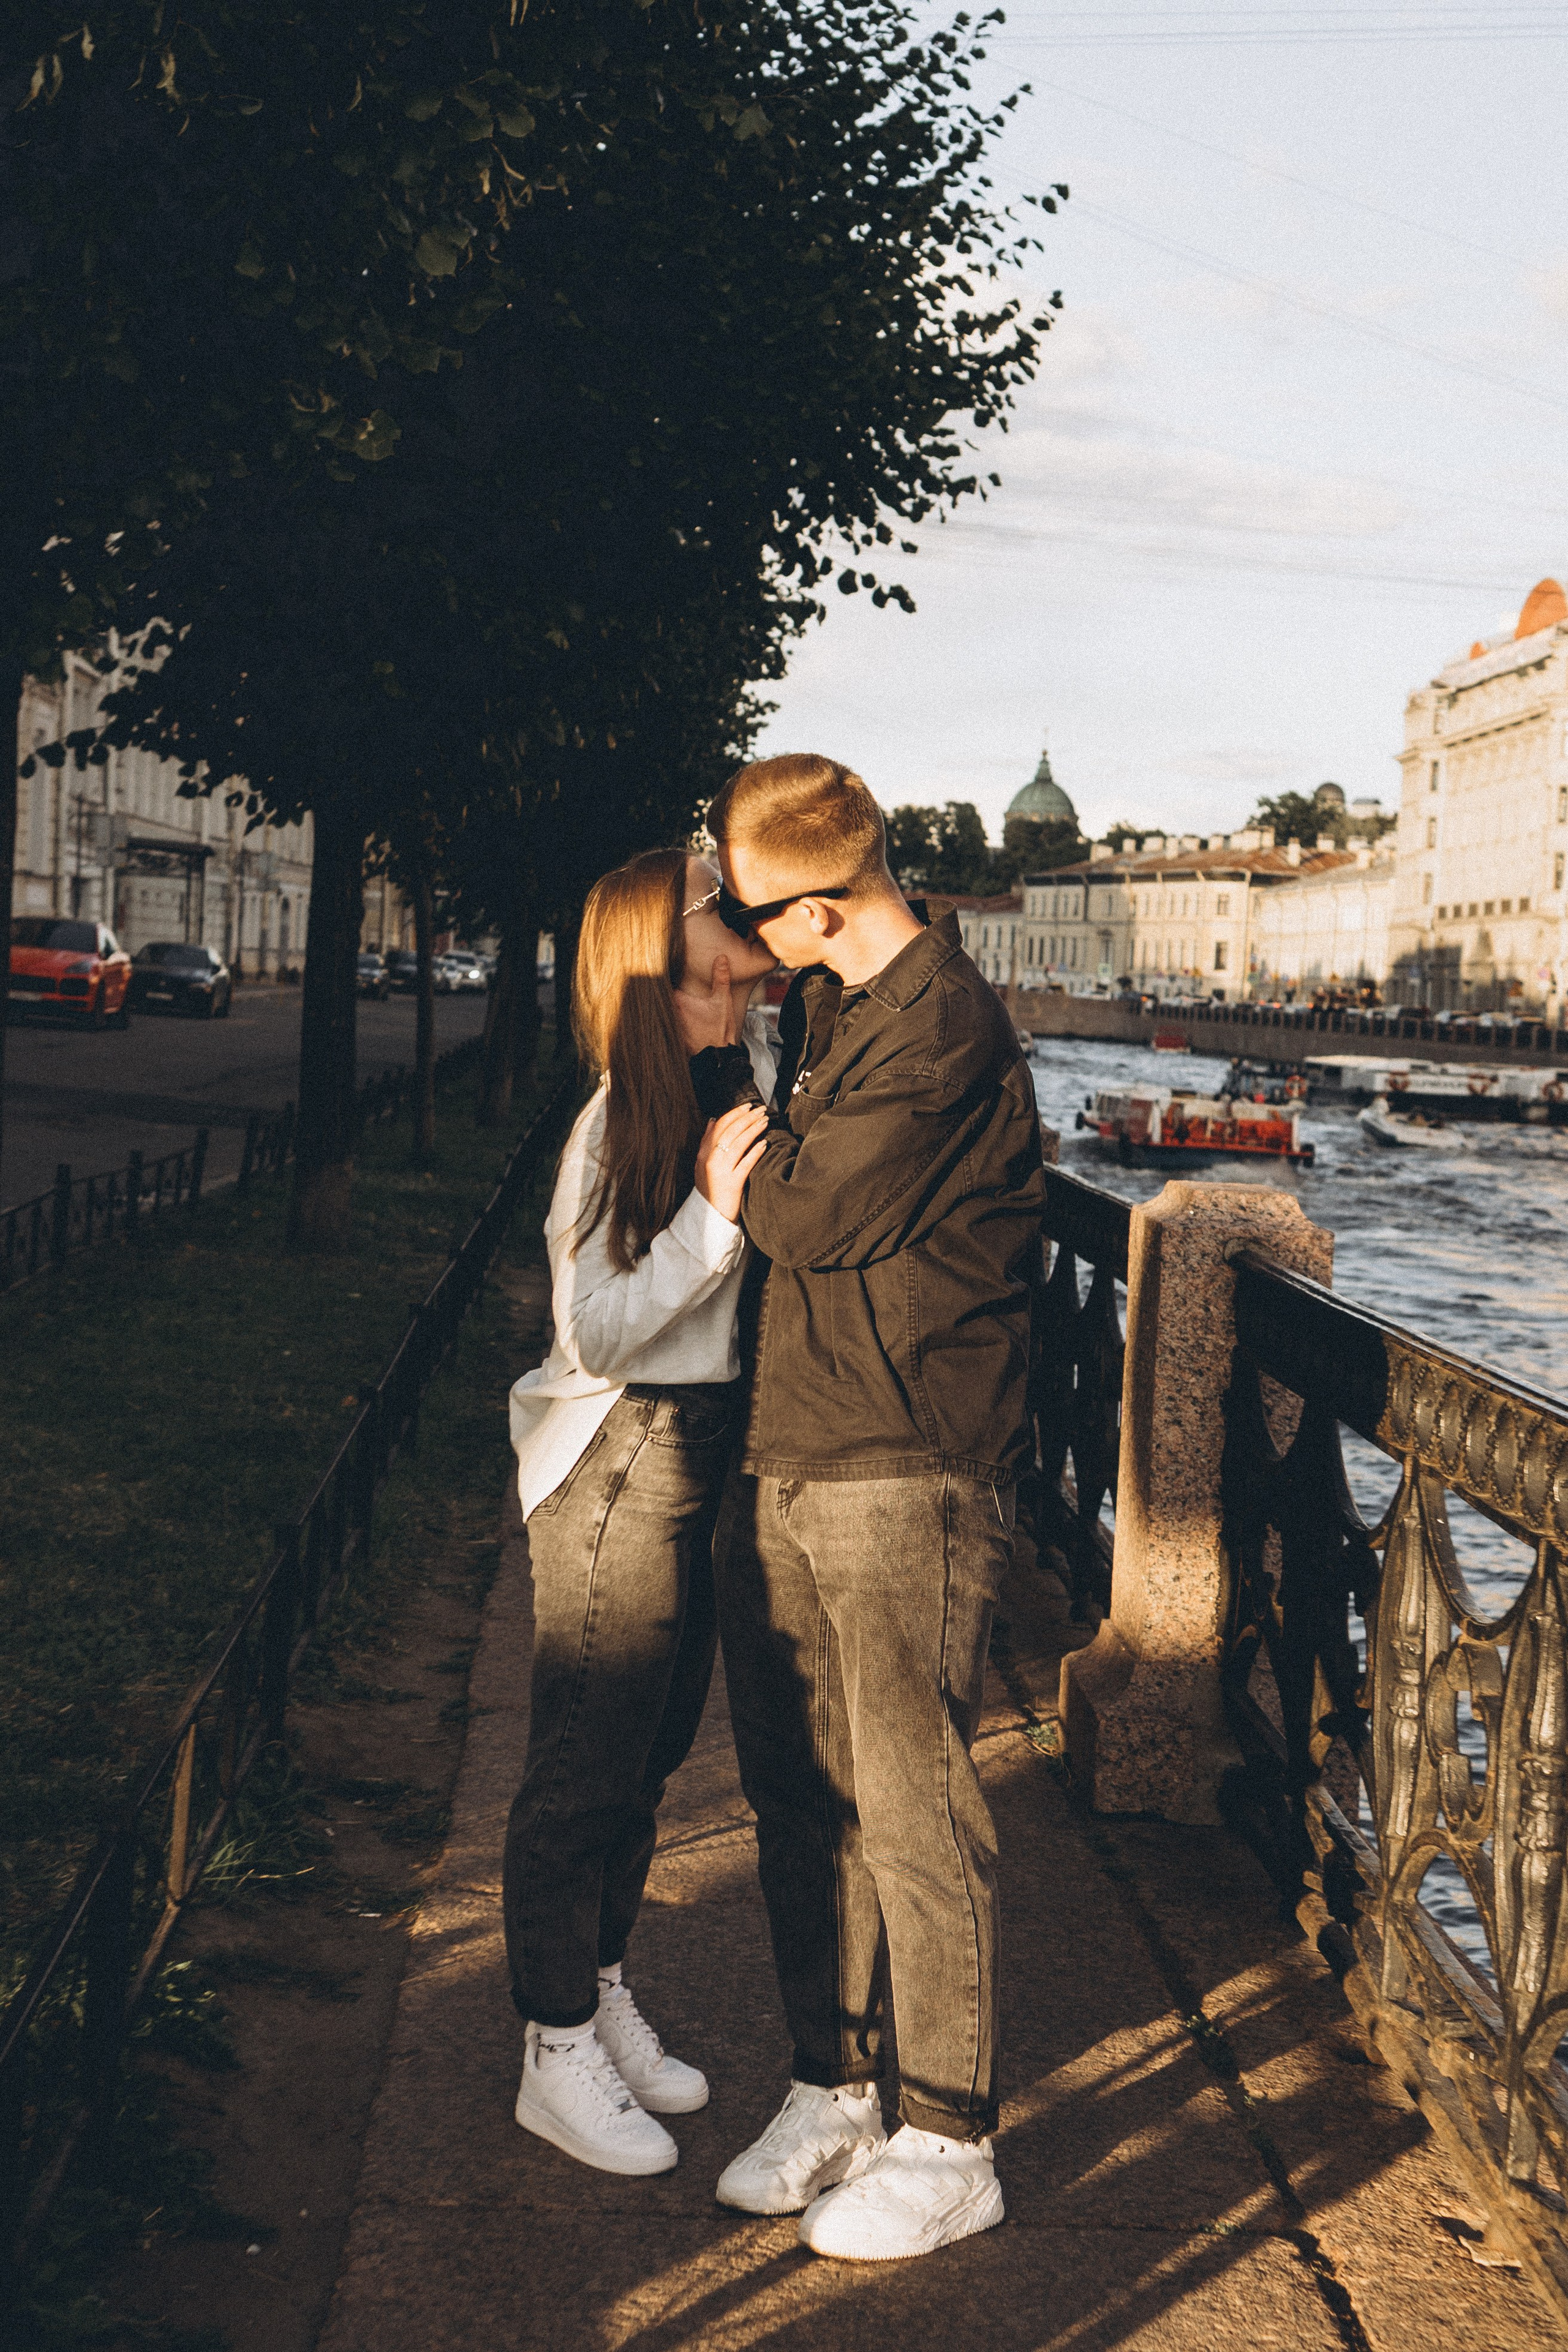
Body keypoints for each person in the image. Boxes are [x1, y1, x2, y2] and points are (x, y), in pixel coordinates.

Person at [676, 753, 1045, 2261]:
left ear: (818, 908)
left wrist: (736, 1143)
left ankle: (951, 2139)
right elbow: (800, 1192)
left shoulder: (943, 1024)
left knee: (911, 1804)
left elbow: (809, 1212)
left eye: (748, 914)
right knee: (798, 1797)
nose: (736, 936)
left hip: (907, 1459)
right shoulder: (834, 1004)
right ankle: (831, 2089)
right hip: (795, 1437)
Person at [503, 845, 775, 2177]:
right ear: (636, 984)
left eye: (743, 986)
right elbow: (597, 1331)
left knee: (650, 1756)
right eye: (703, 985)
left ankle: (599, 1986)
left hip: (693, 1453)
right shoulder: (615, 1123)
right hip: (618, 1456)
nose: (729, 1012)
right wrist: (713, 1218)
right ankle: (552, 2047)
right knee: (582, 1768)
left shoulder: (726, 1080)